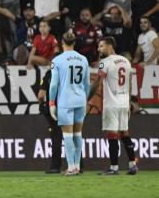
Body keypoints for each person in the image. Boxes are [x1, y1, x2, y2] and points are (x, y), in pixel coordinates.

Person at [88, 37, 137, 175]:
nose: (99, 49)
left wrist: (87, 98)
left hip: (111, 104)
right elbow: (130, 83)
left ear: (110, 46)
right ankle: (132, 165)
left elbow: (98, 82)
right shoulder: (126, 61)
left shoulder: (105, 62)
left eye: (101, 46)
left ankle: (114, 168)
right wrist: (128, 103)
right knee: (125, 134)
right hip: (124, 103)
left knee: (112, 135)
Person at [48, 32, 90, 176]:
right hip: (80, 100)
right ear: (74, 43)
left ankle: (71, 167)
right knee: (78, 134)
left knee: (67, 136)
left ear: (62, 42)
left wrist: (52, 102)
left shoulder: (57, 60)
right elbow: (87, 84)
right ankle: (77, 166)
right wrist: (86, 100)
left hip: (65, 101)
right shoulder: (83, 59)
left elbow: (53, 85)